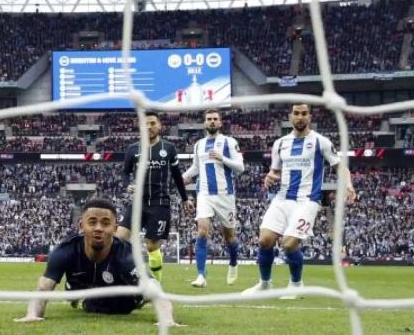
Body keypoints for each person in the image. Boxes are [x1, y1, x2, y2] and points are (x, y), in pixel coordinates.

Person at [243, 103, 356, 298]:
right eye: (296, 113)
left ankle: (296, 284)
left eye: (304, 114)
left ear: (309, 117)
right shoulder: (280, 143)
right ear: (290, 116)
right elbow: (275, 171)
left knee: (288, 244)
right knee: (265, 240)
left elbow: (340, 166)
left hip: (307, 200)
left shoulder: (321, 142)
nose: (300, 117)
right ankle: (264, 284)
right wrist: (270, 176)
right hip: (282, 198)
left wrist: (349, 185)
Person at [15, 199, 179, 325]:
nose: (99, 228)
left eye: (106, 223)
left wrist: (167, 320)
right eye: (92, 222)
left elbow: (154, 288)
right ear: (81, 226)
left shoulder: (127, 254)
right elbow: (44, 287)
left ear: (115, 229)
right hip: (85, 287)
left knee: (138, 295)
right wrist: (32, 315)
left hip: (121, 298)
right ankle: (73, 291)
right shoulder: (65, 250)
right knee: (80, 297)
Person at [115, 112, 193, 282]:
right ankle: (115, 278)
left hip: (160, 204)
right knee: (118, 239)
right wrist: (127, 184)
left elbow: (177, 176)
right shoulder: (133, 149)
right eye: (145, 124)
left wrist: (185, 199)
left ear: (159, 126)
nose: (149, 127)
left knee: (151, 246)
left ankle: (155, 284)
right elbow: (125, 173)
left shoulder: (169, 148)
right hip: (138, 203)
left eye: (152, 123)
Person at [182, 108, 244, 287]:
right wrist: (184, 177)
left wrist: (222, 158)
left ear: (220, 122)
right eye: (209, 119)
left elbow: (240, 167)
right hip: (205, 194)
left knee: (229, 237)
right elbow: (196, 167)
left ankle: (233, 263)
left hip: (225, 195)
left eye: (215, 119)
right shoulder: (199, 144)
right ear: (204, 123)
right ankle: (201, 275)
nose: (212, 121)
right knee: (202, 231)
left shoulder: (229, 142)